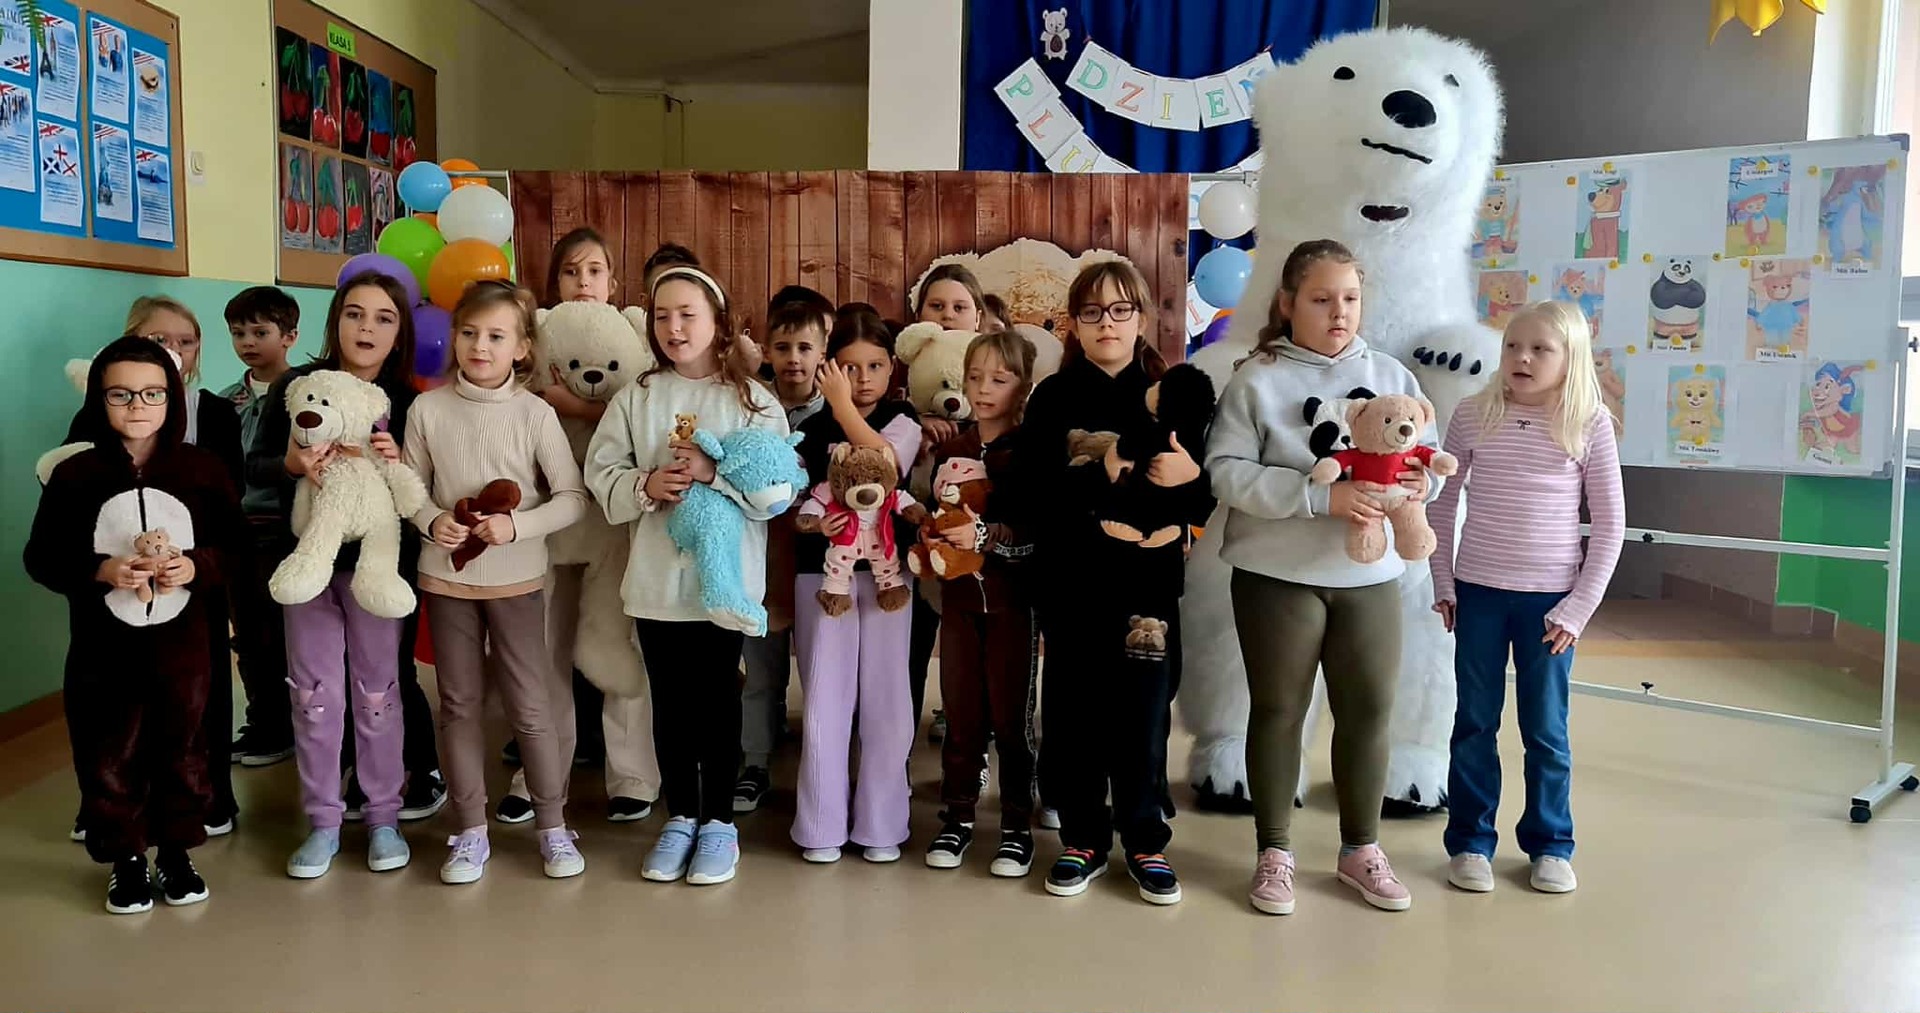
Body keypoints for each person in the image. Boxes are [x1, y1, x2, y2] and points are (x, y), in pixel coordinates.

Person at [1205, 239, 1441, 916]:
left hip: (1369, 575)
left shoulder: (1391, 373)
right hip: (1276, 571)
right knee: (1279, 709)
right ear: (1287, 304)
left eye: (1350, 298)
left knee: (1369, 708)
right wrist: (1318, 497)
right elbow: (1225, 472)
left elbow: (1424, 453)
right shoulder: (1256, 379)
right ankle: (1274, 851)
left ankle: (1360, 850)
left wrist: (1418, 484)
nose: (1339, 312)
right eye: (1321, 298)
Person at [584, 265, 788, 886]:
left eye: (687, 315)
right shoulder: (637, 397)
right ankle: (680, 817)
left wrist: (712, 474)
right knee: (669, 704)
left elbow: (777, 490)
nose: (674, 328)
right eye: (662, 315)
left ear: (718, 322)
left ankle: (719, 822)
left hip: (722, 586)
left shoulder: (753, 402)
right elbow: (601, 472)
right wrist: (645, 484)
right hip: (655, 584)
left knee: (718, 700)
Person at [26, 336, 245, 913]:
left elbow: (238, 548)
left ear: (172, 397)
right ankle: (124, 858)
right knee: (108, 752)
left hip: (185, 648)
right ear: (99, 399)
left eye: (152, 393)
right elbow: (42, 557)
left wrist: (195, 566)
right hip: (104, 652)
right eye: (120, 394)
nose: (137, 406)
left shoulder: (203, 470)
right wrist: (100, 570)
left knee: (184, 748)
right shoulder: (75, 475)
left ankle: (176, 851)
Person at [1023, 260, 1212, 905]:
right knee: (1074, 716)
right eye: (1092, 312)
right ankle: (1081, 837)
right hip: (1074, 586)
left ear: (1142, 318)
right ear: (1074, 324)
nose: (1107, 323)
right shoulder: (1052, 398)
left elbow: (1205, 501)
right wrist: (1101, 468)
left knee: (1143, 719)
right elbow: (1033, 495)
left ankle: (1145, 839)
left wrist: (1192, 482)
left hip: (1147, 592)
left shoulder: (1171, 393)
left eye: (1121, 309)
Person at [1430, 300, 1624, 896]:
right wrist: (1443, 582)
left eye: (1541, 349)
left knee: (1545, 731)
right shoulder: (1472, 413)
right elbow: (1440, 503)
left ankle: (1550, 845)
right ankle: (1470, 842)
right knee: (1474, 722)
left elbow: (1610, 525)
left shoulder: (1589, 422)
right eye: (1513, 345)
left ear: (1570, 358)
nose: (1523, 358)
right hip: (1479, 594)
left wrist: (1577, 610)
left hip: (1551, 606)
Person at [405, 281, 590, 881]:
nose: (479, 346)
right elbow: (408, 489)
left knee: (530, 705)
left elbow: (572, 498)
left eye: (495, 336)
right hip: (446, 583)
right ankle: (469, 831)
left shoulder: (535, 413)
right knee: (458, 705)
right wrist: (431, 520)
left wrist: (517, 526)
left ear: (522, 347)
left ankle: (553, 826)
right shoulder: (427, 409)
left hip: (517, 583)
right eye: (469, 333)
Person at [256, 272, 433, 878]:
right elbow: (255, 465)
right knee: (312, 696)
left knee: (379, 693)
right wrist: (292, 462)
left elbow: (421, 491)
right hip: (309, 563)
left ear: (400, 332)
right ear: (336, 321)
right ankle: (323, 821)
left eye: (384, 318)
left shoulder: (407, 402)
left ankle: (383, 814)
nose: (366, 328)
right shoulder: (297, 389)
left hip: (377, 570)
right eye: (355, 313)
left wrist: (399, 463)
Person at [495, 227, 658, 826]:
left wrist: (578, 408)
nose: (583, 282)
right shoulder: (535, 336)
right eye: (570, 271)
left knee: (619, 646)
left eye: (594, 271)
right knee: (542, 652)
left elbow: (649, 413)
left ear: (613, 281)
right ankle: (538, 774)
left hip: (615, 520)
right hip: (545, 520)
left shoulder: (634, 335)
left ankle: (634, 774)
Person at [67, 297, 243, 841]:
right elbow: (53, 544)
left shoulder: (207, 448)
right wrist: (102, 570)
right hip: (108, 622)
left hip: (189, 616)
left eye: (185, 342)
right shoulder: (84, 457)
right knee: (110, 726)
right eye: (157, 339)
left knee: (191, 718)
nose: (172, 350)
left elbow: (232, 533)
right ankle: (115, 828)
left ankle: (194, 819)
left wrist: (195, 565)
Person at [789, 305, 922, 864]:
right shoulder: (809, 426)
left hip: (889, 581)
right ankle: (821, 825)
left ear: (892, 367)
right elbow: (796, 499)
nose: (862, 379)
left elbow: (885, 463)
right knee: (826, 700)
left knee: (887, 701)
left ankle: (881, 824)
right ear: (829, 368)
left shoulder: (903, 419)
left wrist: (842, 406)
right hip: (824, 582)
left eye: (874, 366)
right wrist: (814, 522)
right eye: (849, 368)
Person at [922, 330, 1039, 877]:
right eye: (975, 377)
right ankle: (958, 815)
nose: (984, 389)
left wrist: (987, 537)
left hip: (1014, 607)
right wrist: (929, 536)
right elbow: (936, 514)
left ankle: (1016, 825)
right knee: (962, 715)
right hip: (959, 604)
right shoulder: (953, 449)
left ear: (1023, 385)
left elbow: (1037, 537)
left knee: (1012, 721)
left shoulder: (1031, 450)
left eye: (1000, 378)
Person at [735, 287, 834, 813]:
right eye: (782, 348)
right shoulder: (749, 407)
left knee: (821, 676)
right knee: (762, 669)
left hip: (820, 563)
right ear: (766, 352)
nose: (793, 359)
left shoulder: (836, 416)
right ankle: (754, 762)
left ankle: (822, 772)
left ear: (822, 352)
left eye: (804, 347)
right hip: (763, 557)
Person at [908, 264, 991, 746]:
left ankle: (964, 722)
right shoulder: (903, 391)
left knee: (970, 643)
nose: (947, 315)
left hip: (973, 540)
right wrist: (914, 426)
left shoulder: (995, 386)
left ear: (977, 317)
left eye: (960, 307)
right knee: (914, 640)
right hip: (915, 539)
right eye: (936, 306)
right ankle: (900, 726)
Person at [221, 286, 301, 770]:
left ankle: (295, 722)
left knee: (284, 632)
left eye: (259, 332)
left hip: (284, 529)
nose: (248, 342)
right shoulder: (224, 401)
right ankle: (263, 721)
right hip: (237, 531)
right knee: (248, 633)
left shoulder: (302, 394)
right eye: (238, 334)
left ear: (289, 336)